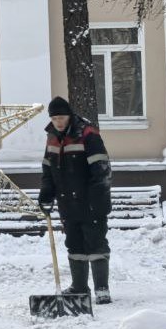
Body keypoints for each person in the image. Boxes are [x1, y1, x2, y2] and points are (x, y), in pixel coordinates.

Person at [38, 96, 113, 304]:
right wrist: (46, 192)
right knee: (74, 244)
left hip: (91, 202)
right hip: (67, 202)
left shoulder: (87, 134)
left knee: (96, 243)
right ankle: (79, 286)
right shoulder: (52, 137)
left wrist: (96, 200)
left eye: (61, 117)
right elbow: (48, 169)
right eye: (54, 119)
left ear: (69, 116)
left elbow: (102, 170)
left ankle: (102, 288)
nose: (58, 122)